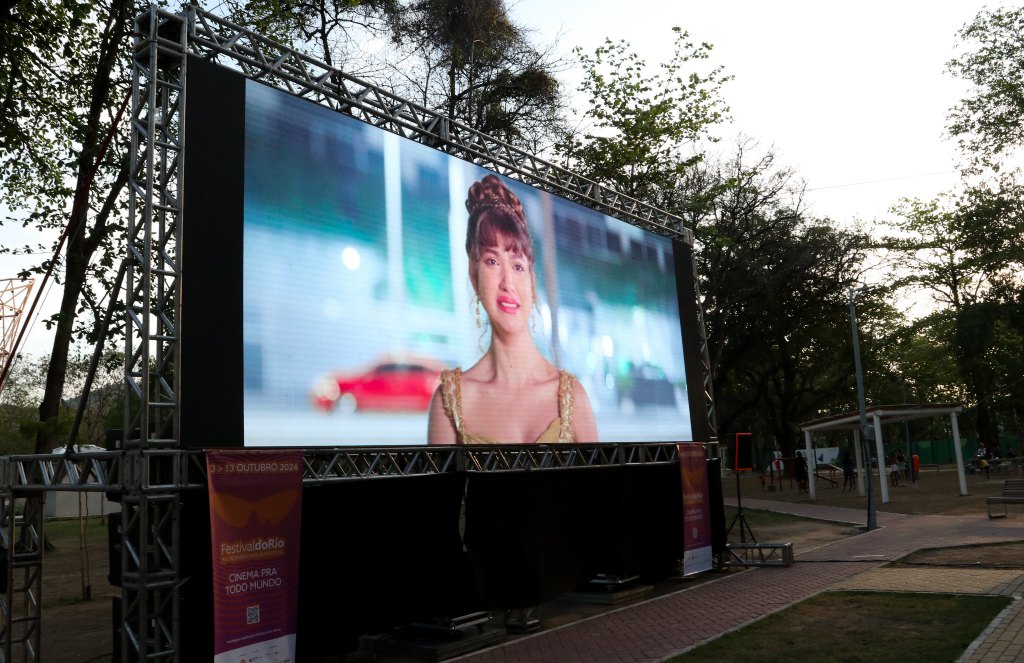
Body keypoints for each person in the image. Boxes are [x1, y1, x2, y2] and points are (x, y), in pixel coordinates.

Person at [428, 174, 598, 444]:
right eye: (492, 261)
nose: (507, 283)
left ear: (531, 281)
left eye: (517, 266)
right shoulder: (448, 403)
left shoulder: (573, 398)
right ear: (474, 274)